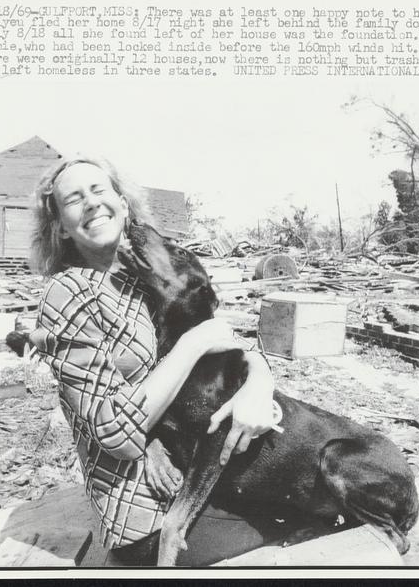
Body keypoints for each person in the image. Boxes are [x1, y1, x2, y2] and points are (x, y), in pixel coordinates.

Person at [29, 158, 315, 566]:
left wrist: (259, 380)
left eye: (99, 190)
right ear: (59, 225)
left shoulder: (140, 279)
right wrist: (191, 347)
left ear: (123, 204)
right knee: (313, 518)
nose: (91, 204)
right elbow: (114, 433)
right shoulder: (67, 294)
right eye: (74, 199)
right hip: (145, 514)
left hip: (194, 476)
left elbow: (220, 348)